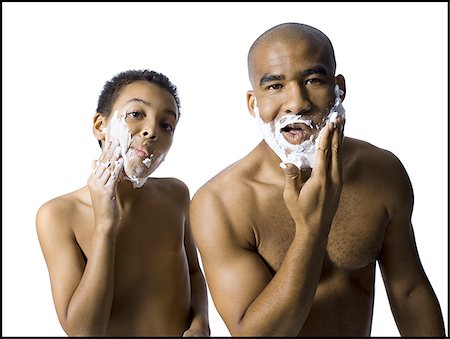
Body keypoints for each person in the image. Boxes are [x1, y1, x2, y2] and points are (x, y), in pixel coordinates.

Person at [189, 23, 446, 336]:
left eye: (312, 80)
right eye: (274, 86)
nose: (297, 103)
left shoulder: (382, 172)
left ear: (339, 88)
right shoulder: (220, 204)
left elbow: (409, 292)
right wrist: (312, 228)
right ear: (253, 103)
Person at [36, 69, 210, 337]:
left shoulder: (176, 194)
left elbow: (195, 273)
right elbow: (84, 331)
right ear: (100, 125)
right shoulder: (58, 215)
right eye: (136, 114)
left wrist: (201, 324)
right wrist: (105, 225)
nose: (152, 130)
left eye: (166, 125)